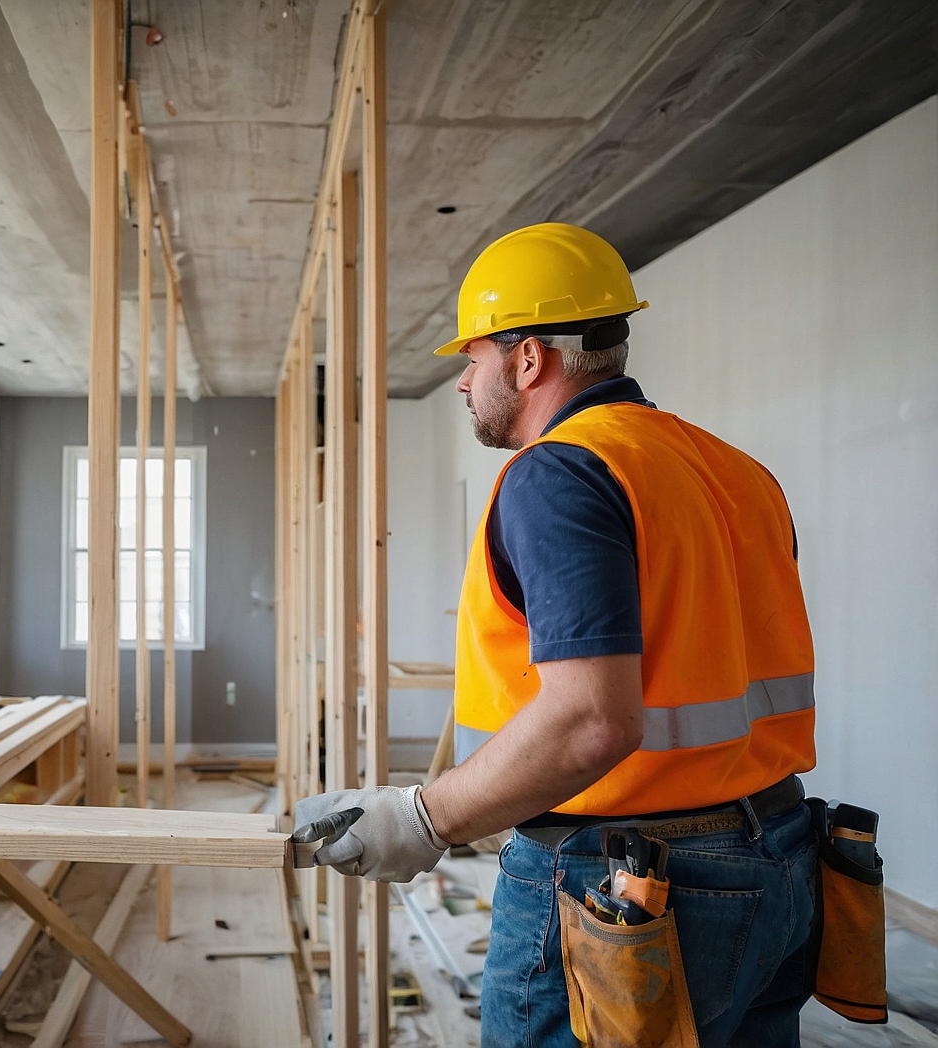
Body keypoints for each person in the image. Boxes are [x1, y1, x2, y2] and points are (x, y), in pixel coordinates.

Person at [295, 223, 817, 1047]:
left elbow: (592, 719)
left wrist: (425, 816)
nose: (466, 383)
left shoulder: (562, 472)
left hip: (629, 884)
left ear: (529, 358)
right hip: (781, 856)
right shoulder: (737, 470)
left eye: (473, 359)